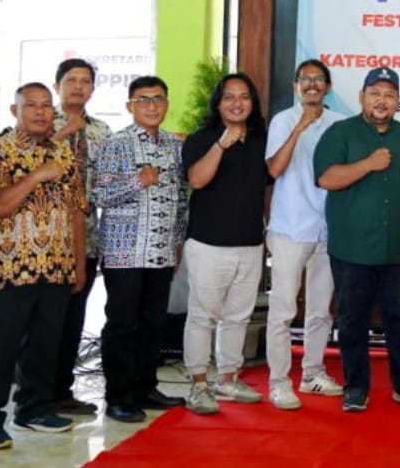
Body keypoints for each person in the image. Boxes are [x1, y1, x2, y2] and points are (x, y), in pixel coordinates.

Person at [0, 83, 86, 450]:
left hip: (57, 265)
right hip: (12, 268)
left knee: (45, 344)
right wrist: (36, 176)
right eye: (31, 105)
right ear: (14, 111)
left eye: (46, 105)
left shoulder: (63, 153)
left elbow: (76, 211)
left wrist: (79, 263)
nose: (40, 111)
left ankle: (33, 408)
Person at [313, 67, 400, 413]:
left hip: (398, 249)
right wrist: (367, 164)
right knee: (352, 320)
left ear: (398, 101)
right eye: (375, 93)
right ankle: (356, 387)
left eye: (389, 95)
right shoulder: (340, 133)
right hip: (351, 248)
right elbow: (326, 178)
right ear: (362, 96)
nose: (382, 100)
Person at [91, 76, 188, 424]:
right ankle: (118, 396)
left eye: (158, 99)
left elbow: (181, 198)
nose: (151, 105)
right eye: (143, 99)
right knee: (123, 324)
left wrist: (177, 242)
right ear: (129, 106)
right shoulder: (116, 144)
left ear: (166, 104)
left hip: (161, 251)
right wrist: (138, 181)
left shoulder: (175, 146)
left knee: (153, 323)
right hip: (124, 252)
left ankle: (146, 387)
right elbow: (99, 195)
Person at [180, 73, 269, 415]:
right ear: (218, 104)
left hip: (250, 242)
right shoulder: (201, 138)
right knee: (203, 316)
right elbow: (197, 180)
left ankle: (228, 379)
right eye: (229, 97)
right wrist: (222, 144)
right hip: (208, 243)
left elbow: (268, 185)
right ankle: (199, 384)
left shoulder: (260, 139)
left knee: (239, 317)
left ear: (252, 103)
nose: (237, 103)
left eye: (244, 97)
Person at [264, 59, 345, 410]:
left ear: (328, 86)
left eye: (318, 79)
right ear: (295, 86)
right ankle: (279, 381)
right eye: (305, 79)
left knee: (320, 310)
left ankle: (312, 373)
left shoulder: (340, 124)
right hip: (290, 228)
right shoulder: (283, 121)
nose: (312, 84)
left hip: (328, 228)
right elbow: (274, 169)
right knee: (282, 309)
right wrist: (301, 126)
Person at [49, 58, 111, 416]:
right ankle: (35, 394)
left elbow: (107, 179)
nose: (78, 86)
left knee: (73, 319)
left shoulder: (102, 130)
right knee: (45, 321)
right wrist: (63, 133)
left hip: (86, 237)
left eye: (85, 81)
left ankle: (62, 391)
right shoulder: (42, 122)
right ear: (57, 86)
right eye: (71, 80)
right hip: (46, 239)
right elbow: (28, 161)